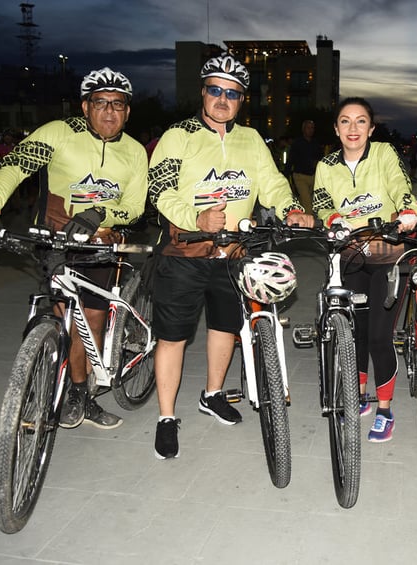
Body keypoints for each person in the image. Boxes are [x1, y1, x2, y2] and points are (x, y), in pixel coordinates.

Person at [147, 55, 314, 460]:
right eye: (215, 90)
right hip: (184, 251)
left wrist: (290, 207)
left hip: (234, 251)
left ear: (242, 100)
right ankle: (167, 418)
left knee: (225, 326)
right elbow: (159, 189)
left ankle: (213, 393)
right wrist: (196, 218)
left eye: (232, 93)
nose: (223, 99)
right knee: (173, 337)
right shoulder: (179, 135)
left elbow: (272, 182)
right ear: (203, 92)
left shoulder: (252, 139)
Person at [0, 67, 148, 430]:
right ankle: (53, 374)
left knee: (91, 322)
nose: (110, 111)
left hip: (101, 244)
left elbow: (135, 206)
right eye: (100, 103)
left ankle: (82, 393)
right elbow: (15, 166)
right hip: (56, 241)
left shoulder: (135, 151)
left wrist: (100, 213)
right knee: (63, 316)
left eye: (118, 104)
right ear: (85, 106)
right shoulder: (58, 133)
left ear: (127, 111)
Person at [312, 97, 417, 443]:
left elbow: (401, 186)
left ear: (371, 129)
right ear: (336, 128)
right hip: (351, 257)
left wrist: (406, 211)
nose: (353, 128)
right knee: (354, 332)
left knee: (378, 335)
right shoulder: (326, 165)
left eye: (361, 122)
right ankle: (357, 396)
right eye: (345, 121)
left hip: (389, 258)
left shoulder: (385, 154)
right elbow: (322, 202)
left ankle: (385, 410)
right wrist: (333, 219)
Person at [285, 119, 323, 215]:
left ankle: (300, 215)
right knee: (307, 200)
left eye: (312, 128)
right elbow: (291, 159)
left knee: (306, 198)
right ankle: (309, 223)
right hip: (300, 175)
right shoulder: (297, 143)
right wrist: (286, 174)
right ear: (303, 129)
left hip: (313, 176)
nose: (311, 130)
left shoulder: (316, 143)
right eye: (308, 128)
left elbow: (321, 159)